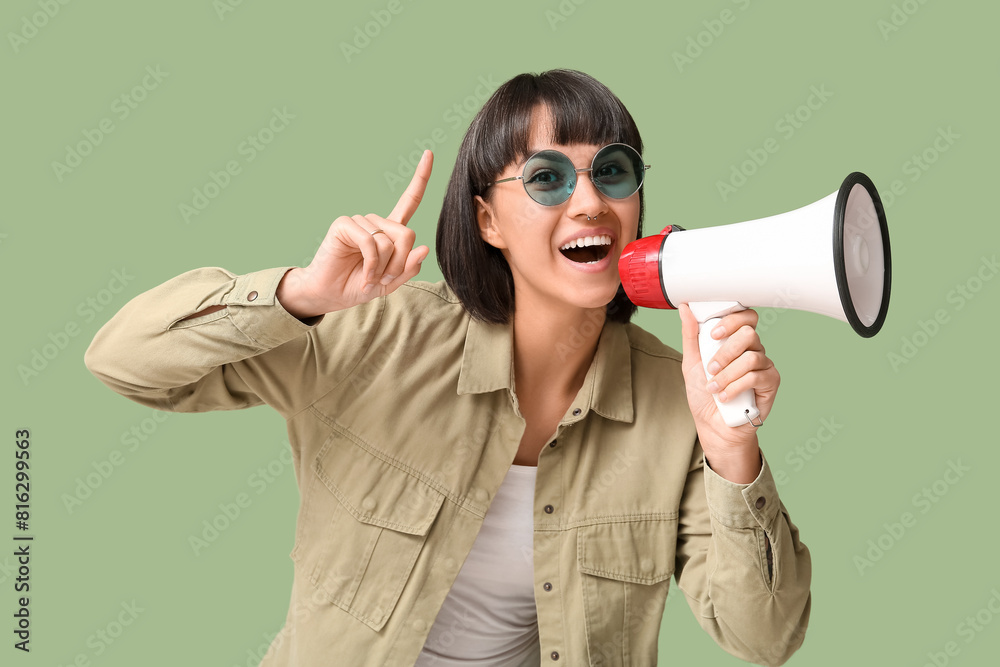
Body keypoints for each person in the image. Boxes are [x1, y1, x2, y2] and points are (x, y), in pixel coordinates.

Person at [85, 69, 811, 667]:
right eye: (548, 178)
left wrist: (732, 450)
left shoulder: (678, 397)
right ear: (486, 220)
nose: (591, 202)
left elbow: (766, 638)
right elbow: (123, 360)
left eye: (612, 173)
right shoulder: (372, 335)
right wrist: (300, 295)